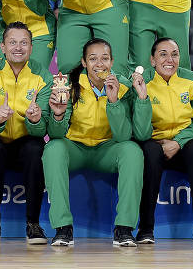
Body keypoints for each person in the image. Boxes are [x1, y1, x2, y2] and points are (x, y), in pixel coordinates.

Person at [40, 38, 142, 247]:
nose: (99, 64)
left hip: (107, 149)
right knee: (52, 148)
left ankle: (124, 228)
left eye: (105, 58)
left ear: (112, 62)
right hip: (75, 147)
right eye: (93, 59)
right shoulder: (68, 84)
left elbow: (123, 136)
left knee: (132, 151)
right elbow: (56, 134)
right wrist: (58, 116)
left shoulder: (122, 86)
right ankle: (63, 227)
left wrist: (113, 102)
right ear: (84, 62)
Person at [0, 22, 51, 244]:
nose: (19, 47)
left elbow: (43, 126)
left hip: (24, 140)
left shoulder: (42, 75)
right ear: (2, 47)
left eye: (24, 42)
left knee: (36, 149)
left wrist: (35, 120)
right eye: (13, 42)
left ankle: (33, 224)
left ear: (31, 47)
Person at [131, 38, 193, 245]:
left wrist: (178, 141)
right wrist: (142, 96)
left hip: (183, 143)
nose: (170, 59)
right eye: (163, 54)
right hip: (154, 143)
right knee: (150, 153)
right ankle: (146, 228)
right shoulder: (142, 83)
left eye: (174, 54)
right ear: (152, 60)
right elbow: (140, 132)